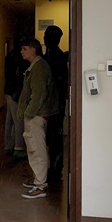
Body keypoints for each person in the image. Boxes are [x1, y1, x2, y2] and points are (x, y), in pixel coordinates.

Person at [17, 37, 58, 199]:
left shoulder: (39, 67)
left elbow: (39, 94)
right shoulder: (36, 66)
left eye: (24, 48)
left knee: (37, 149)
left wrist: (28, 113)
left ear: (34, 50)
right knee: (34, 147)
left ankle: (40, 185)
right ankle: (38, 180)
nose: (22, 52)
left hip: (36, 115)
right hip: (36, 114)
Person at [42, 25, 69, 187]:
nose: (45, 38)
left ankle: (55, 169)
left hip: (54, 105)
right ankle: (52, 168)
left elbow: (57, 83)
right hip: (52, 104)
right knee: (51, 138)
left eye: (48, 35)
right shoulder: (50, 56)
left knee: (54, 139)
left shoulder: (57, 57)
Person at [2, 38, 29, 158]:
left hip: (8, 90)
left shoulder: (9, 56)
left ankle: (8, 145)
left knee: (9, 119)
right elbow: (19, 76)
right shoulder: (20, 58)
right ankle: (18, 147)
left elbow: (9, 75)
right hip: (16, 91)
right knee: (18, 119)